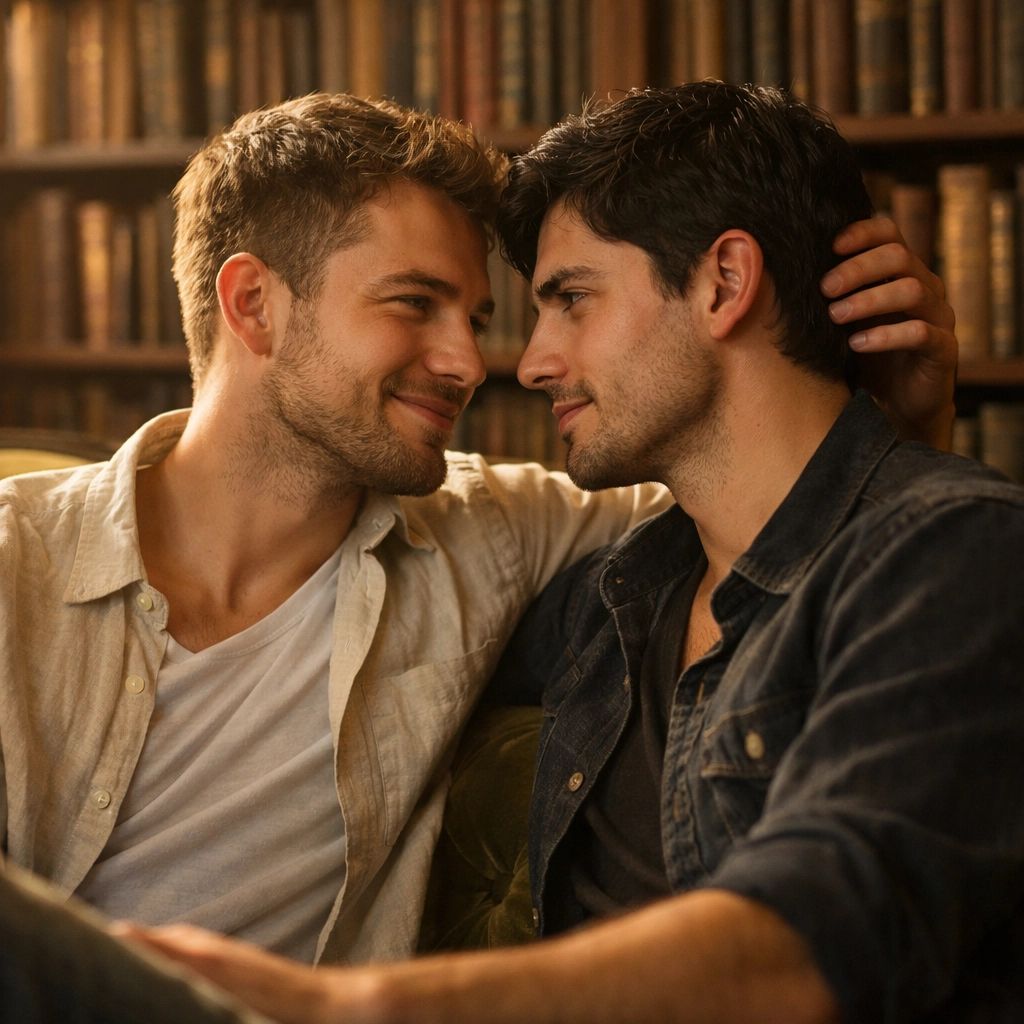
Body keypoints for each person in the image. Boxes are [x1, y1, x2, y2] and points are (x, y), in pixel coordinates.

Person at [117, 84, 1024, 1024]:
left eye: (571, 300)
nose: (526, 361)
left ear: (724, 282)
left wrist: (361, 1005)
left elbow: (826, 938)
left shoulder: (961, 545)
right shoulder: (617, 587)